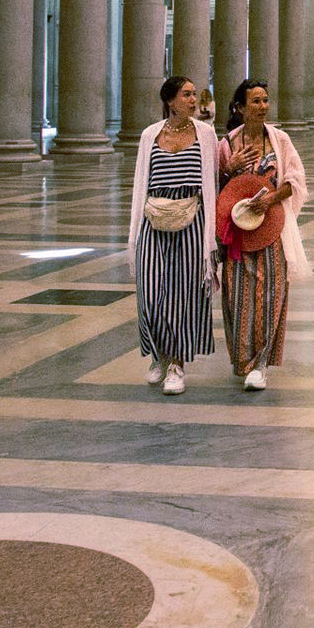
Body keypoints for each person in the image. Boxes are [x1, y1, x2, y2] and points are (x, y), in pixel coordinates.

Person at [123, 76, 223, 395]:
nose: (193, 100)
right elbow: (141, 181)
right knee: (151, 293)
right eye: (186, 95)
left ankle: (176, 365)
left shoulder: (205, 134)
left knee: (183, 295)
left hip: (192, 220)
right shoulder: (150, 135)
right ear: (170, 100)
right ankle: (160, 354)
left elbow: (213, 179)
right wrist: (135, 230)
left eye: (194, 94)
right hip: (153, 219)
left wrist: (213, 234)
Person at [217, 78, 311, 391]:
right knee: (238, 296)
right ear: (240, 108)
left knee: (270, 294)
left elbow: (295, 180)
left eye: (265, 100)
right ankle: (243, 362)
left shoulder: (279, 140)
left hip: (272, 228)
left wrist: (271, 198)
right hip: (238, 233)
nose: (262, 107)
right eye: (255, 101)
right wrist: (229, 168)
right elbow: (215, 187)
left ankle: (260, 364)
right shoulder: (227, 144)